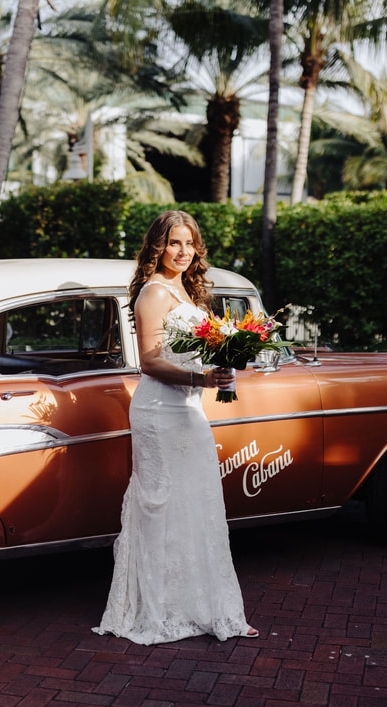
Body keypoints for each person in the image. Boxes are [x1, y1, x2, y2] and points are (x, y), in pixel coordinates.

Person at [93, 210, 257, 645]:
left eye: (189, 243)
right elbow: (148, 361)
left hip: (188, 409)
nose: (183, 252)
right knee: (162, 502)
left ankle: (209, 606)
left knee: (198, 500)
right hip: (159, 411)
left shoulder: (188, 291)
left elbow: (193, 351)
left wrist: (223, 361)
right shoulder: (153, 292)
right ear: (158, 247)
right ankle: (158, 609)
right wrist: (200, 379)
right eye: (174, 243)